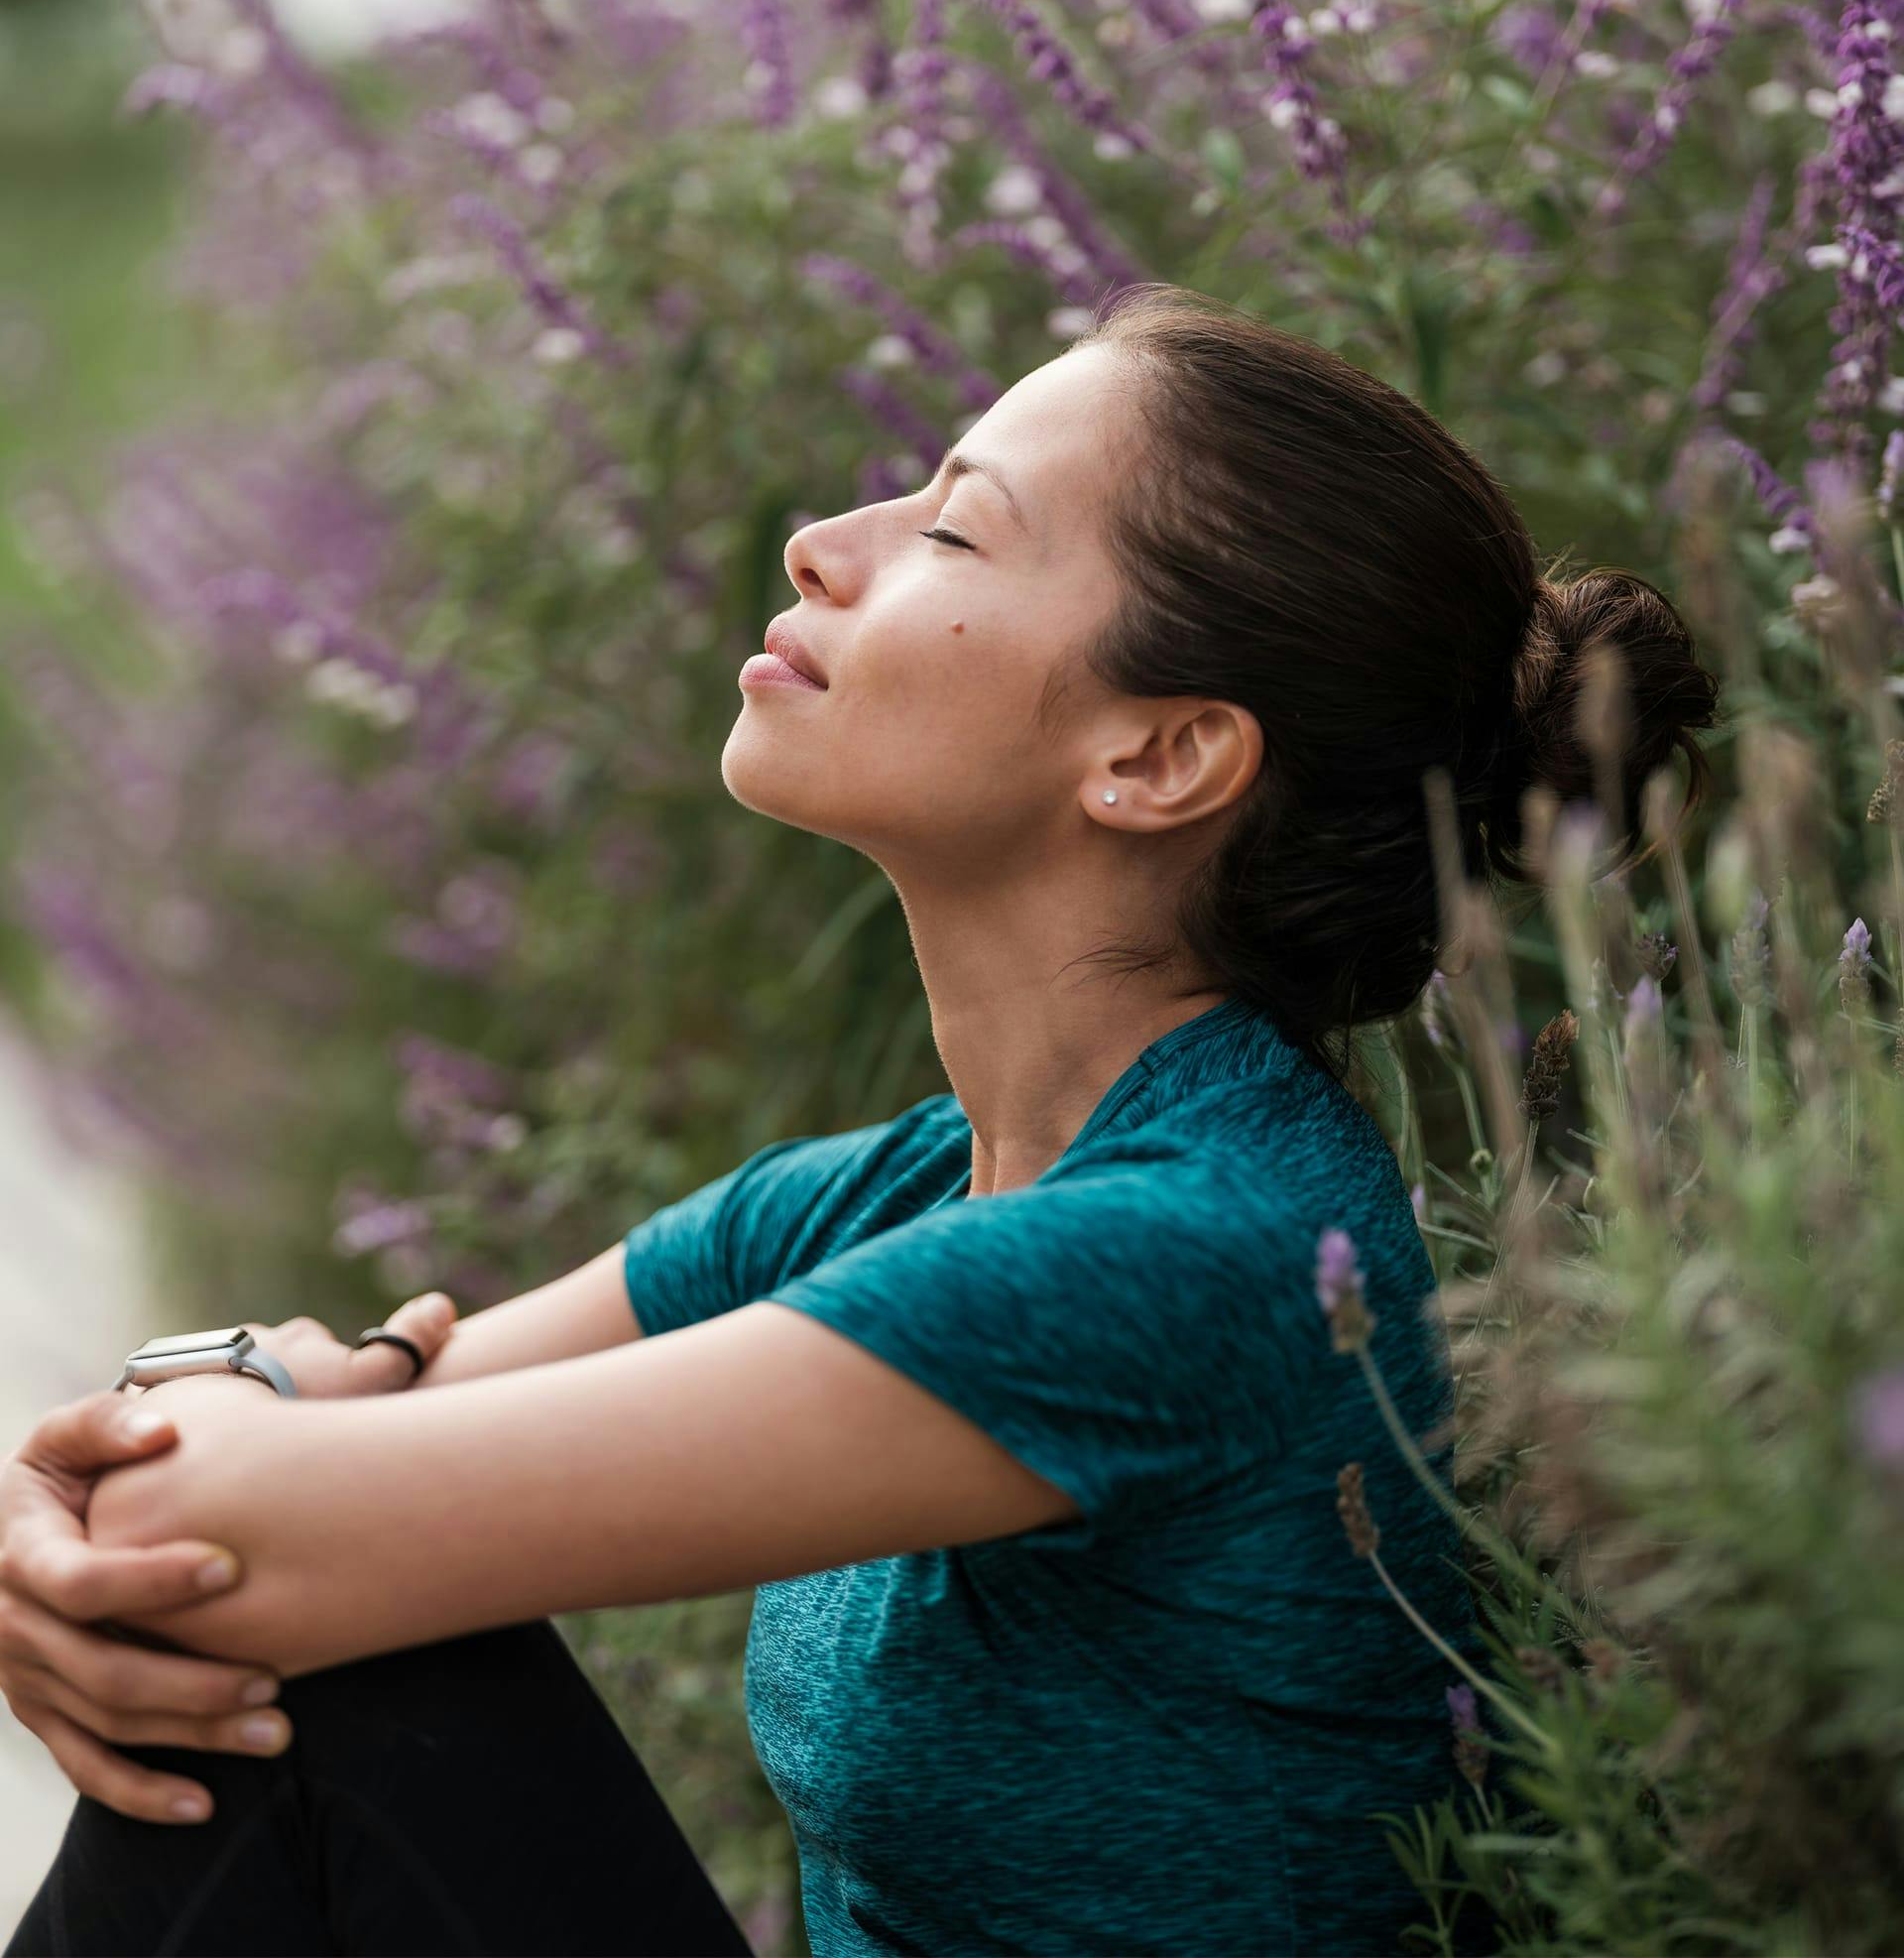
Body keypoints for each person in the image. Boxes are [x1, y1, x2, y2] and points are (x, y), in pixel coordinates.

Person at [0, 283, 1721, 1957]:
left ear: (1163, 756)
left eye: (955, 534)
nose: (828, 538)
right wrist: (119, 1474)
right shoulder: (892, 1196)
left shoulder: (1188, 1253)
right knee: (327, 1634)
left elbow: (208, 1533)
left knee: (340, 1661)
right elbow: (282, 1456)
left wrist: (170, 1461)